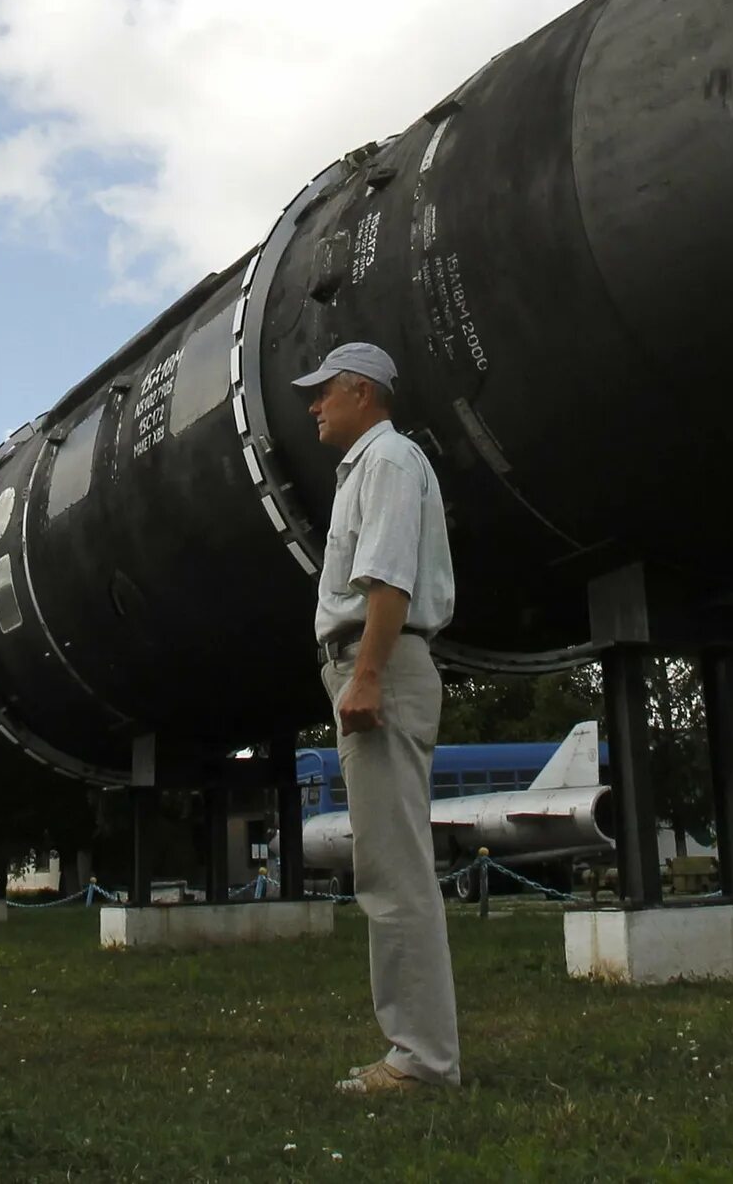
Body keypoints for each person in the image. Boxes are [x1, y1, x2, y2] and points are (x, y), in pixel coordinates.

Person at [301, 339, 460, 1097]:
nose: (314, 404)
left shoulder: (389, 462)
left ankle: (420, 1059)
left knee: (395, 869)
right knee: (389, 863)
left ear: (362, 390)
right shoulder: (372, 466)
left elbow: (387, 579)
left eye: (324, 390)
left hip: (381, 668)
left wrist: (365, 674)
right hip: (374, 666)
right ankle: (417, 1050)